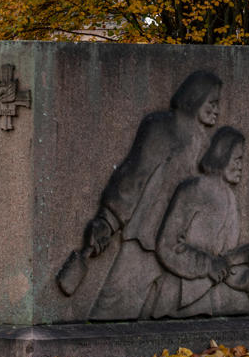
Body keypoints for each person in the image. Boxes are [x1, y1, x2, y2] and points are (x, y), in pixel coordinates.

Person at [85, 70, 223, 321]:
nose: (217, 111)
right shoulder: (161, 127)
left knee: (186, 320)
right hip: (145, 239)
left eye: (218, 104)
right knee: (111, 312)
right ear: (195, 97)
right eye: (212, 103)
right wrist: (108, 220)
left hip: (182, 247)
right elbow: (134, 175)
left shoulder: (205, 144)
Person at [140, 126, 249, 319]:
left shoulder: (230, 198)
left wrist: (248, 275)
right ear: (222, 156)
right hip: (178, 297)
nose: (241, 166)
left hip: (212, 299)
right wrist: (207, 265)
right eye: (237, 159)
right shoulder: (193, 189)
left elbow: (224, 260)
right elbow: (167, 245)